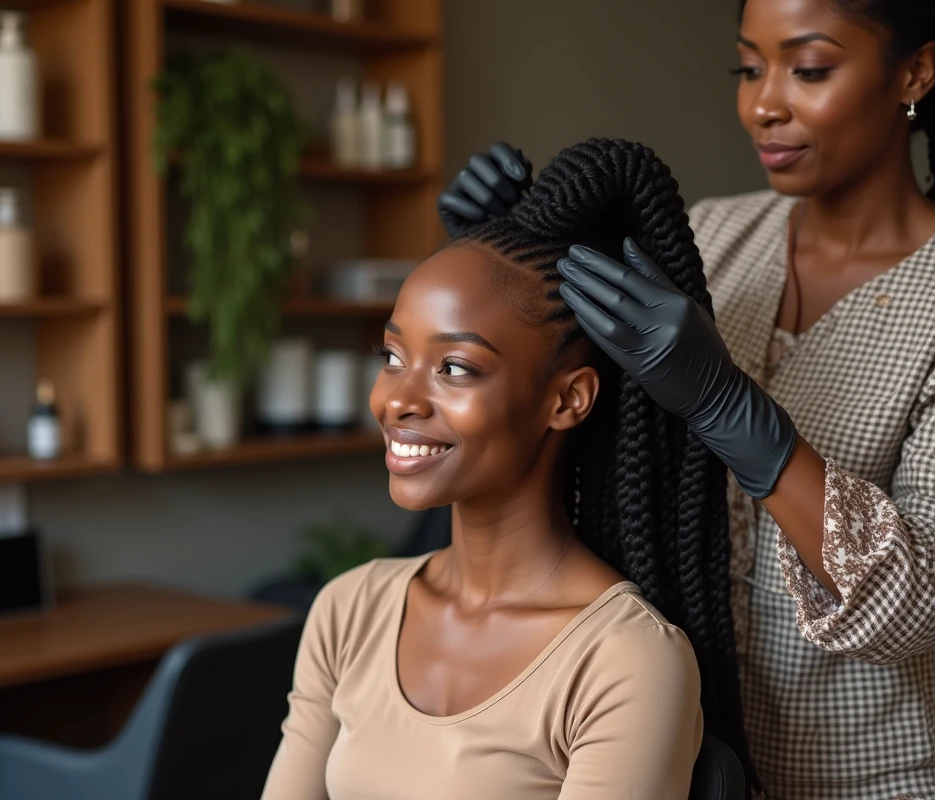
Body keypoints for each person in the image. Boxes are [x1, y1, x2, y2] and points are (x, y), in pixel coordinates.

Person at [436, 2, 935, 798]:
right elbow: (560, 401)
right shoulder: (706, 240)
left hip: (867, 778)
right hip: (667, 763)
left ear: (914, 72)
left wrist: (733, 414)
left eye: (808, 69)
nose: (763, 103)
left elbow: (918, 607)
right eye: (747, 68)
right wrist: (492, 255)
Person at [261, 138, 748, 800]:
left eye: (455, 367)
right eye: (392, 354)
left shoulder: (625, 661)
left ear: (567, 400)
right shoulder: (350, 610)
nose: (396, 400)